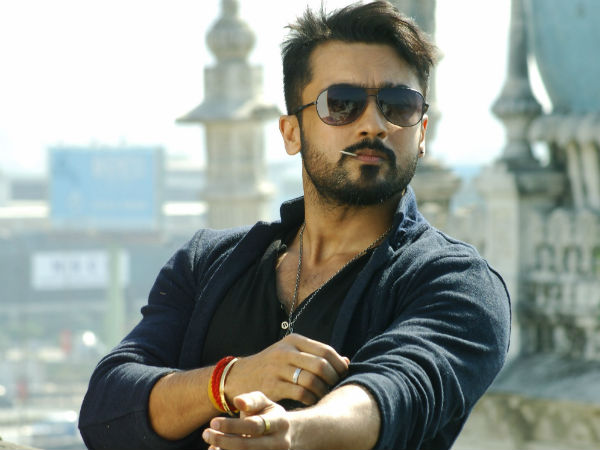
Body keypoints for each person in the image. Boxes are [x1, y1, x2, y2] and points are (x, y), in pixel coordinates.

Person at [78, 2, 511, 449]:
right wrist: (231, 379)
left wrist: (290, 433)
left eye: (399, 106)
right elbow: (107, 408)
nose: (374, 124)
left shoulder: (456, 283)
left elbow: (397, 391)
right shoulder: (208, 263)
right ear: (291, 133)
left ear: (421, 133)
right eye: (341, 104)